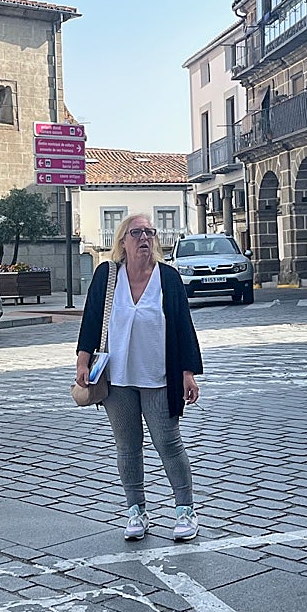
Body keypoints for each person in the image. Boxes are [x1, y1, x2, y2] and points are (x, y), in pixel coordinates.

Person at [75, 214, 204, 541]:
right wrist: (82, 362)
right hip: (117, 379)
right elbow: (91, 321)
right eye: (137, 233)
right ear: (123, 241)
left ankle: (185, 510)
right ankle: (136, 511)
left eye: (149, 232)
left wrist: (188, 373)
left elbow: (183, 327)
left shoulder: (169, 278)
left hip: (160, 377)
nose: (144, 238)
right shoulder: (107, 276)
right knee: (127, 446)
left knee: (168, 443)